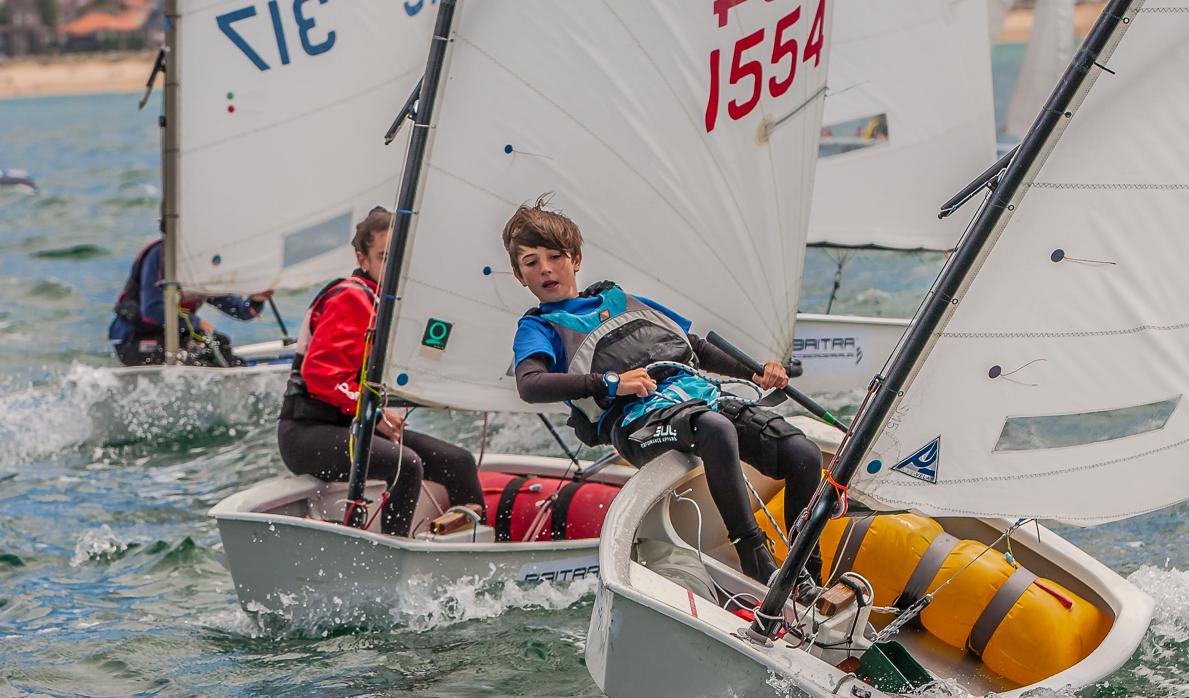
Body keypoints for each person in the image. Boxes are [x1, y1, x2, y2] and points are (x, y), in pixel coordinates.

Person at [503, 195, 824, 586]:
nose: (545, 269)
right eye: (531, 262)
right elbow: (530, 385)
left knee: (803, 453)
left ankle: (806, 573)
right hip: (637, 421)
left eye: (554, 256)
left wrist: (757, 372)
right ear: (520, 277)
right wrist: (611, 382)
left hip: (696, 396)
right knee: (715, 429)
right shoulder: (539, 328)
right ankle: (754, 556)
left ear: (575, 259)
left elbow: (696, 347)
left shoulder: (626, 301)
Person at [277, 206, 485, 537]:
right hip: (308, 433)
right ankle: (392, 554)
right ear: (363, 259)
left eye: (401, 257)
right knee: (407, 463)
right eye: (385, 257)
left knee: (458, 461)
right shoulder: (352, 297)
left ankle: (476, 548)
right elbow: (321, 377)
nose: (395, 267)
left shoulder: (388, 305)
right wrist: (373, 412)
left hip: (357, 428)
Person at [108, 238, 272, 367]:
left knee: (220, 344)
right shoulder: (160, 255)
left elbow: (241, 310)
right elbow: (152, 310)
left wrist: (256, 300)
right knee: (197, 354)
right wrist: (196, 322)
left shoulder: (203, 264)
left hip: (171, 335)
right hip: (134, 338)